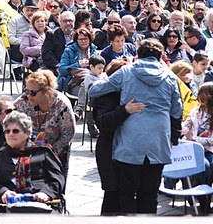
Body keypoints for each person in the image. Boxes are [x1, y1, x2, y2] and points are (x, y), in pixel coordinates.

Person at [89, 38, 183, 214]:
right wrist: (174, 137)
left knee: (127, 191)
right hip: (158, 140)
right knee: (150, 193)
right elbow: (177, 111)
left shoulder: (127, 71)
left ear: (138, 55)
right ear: (160, 56)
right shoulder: (170, 76)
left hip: (130, 140)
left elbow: (94, 90)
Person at [91, 58, 145, 215]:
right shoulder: (107, 96)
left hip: (128, 149)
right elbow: (103, 123)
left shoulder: (132, 95)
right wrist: (124, 110)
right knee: (113, 195)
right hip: (110, 150)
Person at [0, 111, 65, 205]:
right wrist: (4, 192)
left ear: (27, 133)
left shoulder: (43, 152)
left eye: (15, 131)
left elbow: (57, 179)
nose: (10, 134)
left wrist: (46, 193)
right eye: (7, 131)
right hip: (11, 205)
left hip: (42, 203)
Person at [14, 70, 76, 175]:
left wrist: (48, 154)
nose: (28, 95)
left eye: (33, 93)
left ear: (46, 91)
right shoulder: (23, 102)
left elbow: (67, 135)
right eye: (26, 91)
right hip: (28, 152)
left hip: (57, 151)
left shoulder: (61, 105)